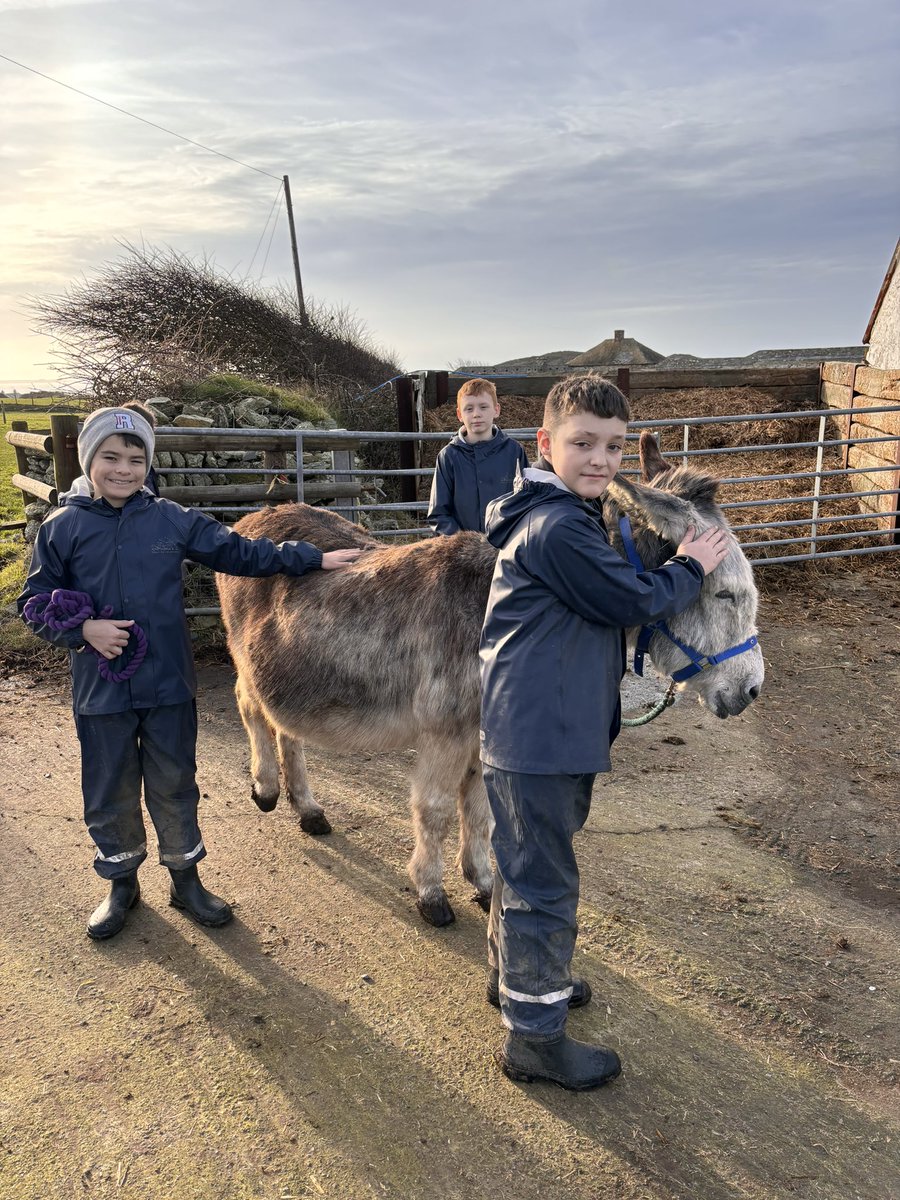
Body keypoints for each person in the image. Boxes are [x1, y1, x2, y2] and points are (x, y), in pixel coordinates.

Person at [18, 406, 362, 941]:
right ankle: (121, 883)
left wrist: (312, 558)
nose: (124, 469)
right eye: (110, 457)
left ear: (148, 464)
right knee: (108, 786)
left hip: (167, 684)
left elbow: (241, 552)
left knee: (175, 782)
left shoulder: (170, 519)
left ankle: (185, 879)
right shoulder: (63, 528)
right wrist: (83, 631)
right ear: (89, 460)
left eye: (135, 459)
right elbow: (35, 601)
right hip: (100, 689)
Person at [479, 374, 728, 1091]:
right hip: (540, 736)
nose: (602, 460)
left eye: (615, 447)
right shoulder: (557, 526)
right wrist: (691, 566)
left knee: (524, 866)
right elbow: (629, 597)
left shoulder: (564, 515)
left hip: (536, 729)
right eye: (583, 443)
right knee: (544, 884)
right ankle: (534, 1039)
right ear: (545, 444)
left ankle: (520, 981)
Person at [427, 378, 528, 535]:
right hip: (464, 554)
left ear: (496, 410)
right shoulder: (449, 456)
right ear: (459, 414)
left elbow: (526, 501)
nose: (476, 414)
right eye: (469, 409)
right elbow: (439, 515)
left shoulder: (514, 452)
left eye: (483, 407)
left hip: (507, 548)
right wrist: (463, 545)